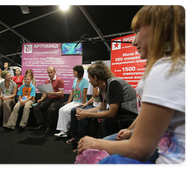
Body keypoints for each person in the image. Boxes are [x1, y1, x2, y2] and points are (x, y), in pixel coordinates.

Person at [77, 3, 186, 165]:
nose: (134, 41)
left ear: (160, 29)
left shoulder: (165, 70)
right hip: (163, 146)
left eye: (138, 31)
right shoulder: (172, 66)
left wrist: (94, 142)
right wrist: (130, 131)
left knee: (101, 155)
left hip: (170, 159)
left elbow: (139, 149)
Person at [76, 61, 138, 138]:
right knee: (94, 120)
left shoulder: (113, 84)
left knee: (104, 123)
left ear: (95, 77)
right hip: (120, 114)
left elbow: (112, 113)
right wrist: (85, 111)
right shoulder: (103, 87)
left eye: (90, 78)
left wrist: (87, 114)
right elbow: (102, 107)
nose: (89, 81)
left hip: (128, 115)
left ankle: (100, 145)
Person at [54, 65, 88, 138]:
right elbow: (72, 92)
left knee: (66, 111)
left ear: (79, 72)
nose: (73, 73)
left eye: (74, 71)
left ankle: (66, 130)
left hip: (80, 102)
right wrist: (68, 102)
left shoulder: (85, 81)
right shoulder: (75, 81)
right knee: (61, 109)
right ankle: (62, 130)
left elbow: (84, 94)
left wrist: (83, 105)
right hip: (74, 101)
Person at [33, 66, 64, 133]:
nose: (50, 74)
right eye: (48, 73)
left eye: (51, 72)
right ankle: (41, 124)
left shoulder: (59, 80)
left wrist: (52, 93)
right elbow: (45, 93)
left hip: (58, 100)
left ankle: (49, 127)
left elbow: (61, 93)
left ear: (55, 72)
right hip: (49, 99)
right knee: (36, 107)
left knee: (51, 110)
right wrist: (41, 99)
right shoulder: (47, 81)